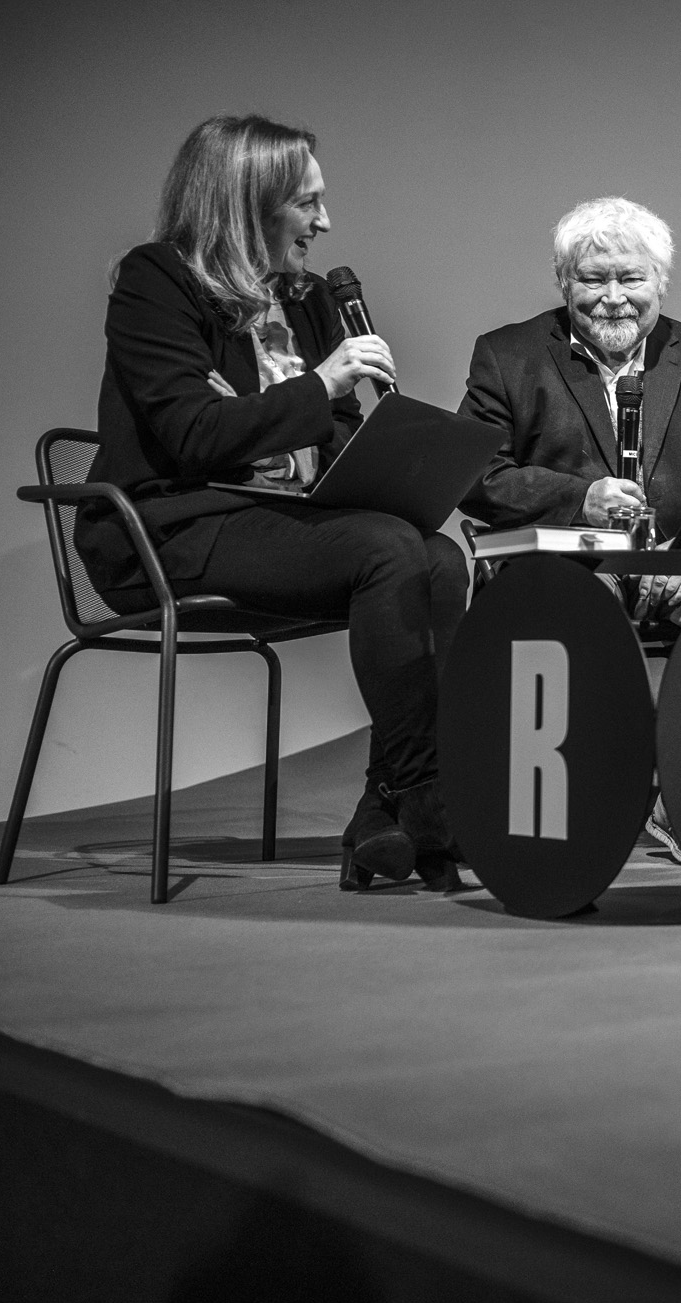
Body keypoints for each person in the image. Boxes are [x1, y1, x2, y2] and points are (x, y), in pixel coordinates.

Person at [78, 114, 468, 893]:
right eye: (307, 203)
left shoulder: (308, 297)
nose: (325, 222)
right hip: (173, 528)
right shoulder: (158, 281)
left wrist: (394, 457)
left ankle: (388, 805)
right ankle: (429, 798)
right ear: (249, 203)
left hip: (280, 519)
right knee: (389, 550)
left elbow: (333, 429)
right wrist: (319, 384)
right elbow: (193, 434)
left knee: (438, 555)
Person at [458, 196, 681, 865]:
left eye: (631, 278)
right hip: (571, 563)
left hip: (679, 562)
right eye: (592, 279)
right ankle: (589, 812)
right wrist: (581, 500)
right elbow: (476, 476)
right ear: (563, 282)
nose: (612, 298)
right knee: (580, 615)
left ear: (661, 281)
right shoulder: (507, 355)